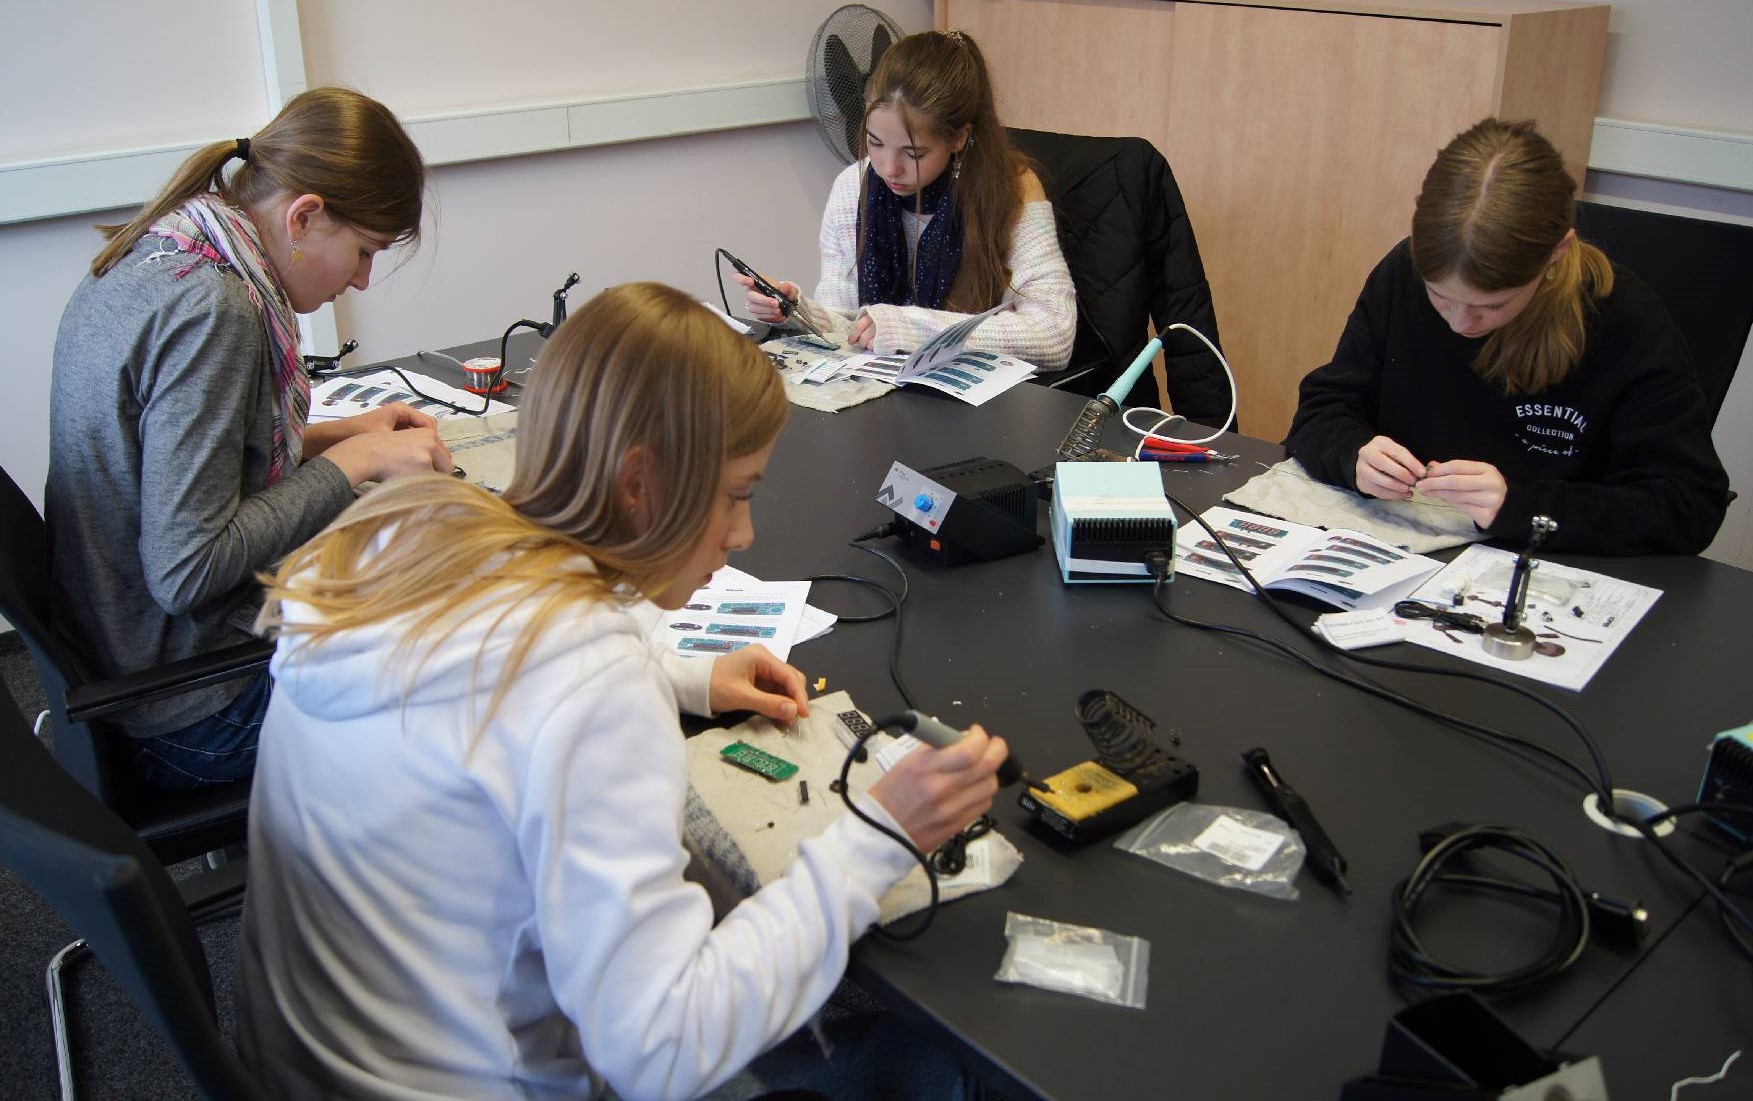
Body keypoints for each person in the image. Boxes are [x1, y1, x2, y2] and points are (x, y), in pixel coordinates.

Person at [234, 282, 1009, 1100]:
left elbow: (494, 684)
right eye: (736, 494)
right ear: (639, 480)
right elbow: (659, 1050)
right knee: (945, 1072)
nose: (743, 534)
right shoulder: (588, 686)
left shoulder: (401, 531)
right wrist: (876, 836)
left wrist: (684, 674)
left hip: (301, 1065)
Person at [46, 88, 452, 788]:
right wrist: (358, 461)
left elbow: (185, 467)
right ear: (304, 216)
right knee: (472, 669)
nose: (362, 277)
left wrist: (339, 435)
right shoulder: (215, 309)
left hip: (121, 667)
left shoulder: (173, 244)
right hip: (192, 712)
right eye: (362, 251)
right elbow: (186, 568)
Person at [1284, 118, 1730, 557]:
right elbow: (1324, 408)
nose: (1461, 323)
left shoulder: (1625, 322)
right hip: (1399, 550)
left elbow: (1687, 505)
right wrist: (1353, 455)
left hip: (1541, 570)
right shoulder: (1402, 274)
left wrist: (1522, 508)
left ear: (1555, 254)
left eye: (1492, 306)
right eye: (1439, 297)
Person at [739, 30, 1076, 372]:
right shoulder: (852, 187)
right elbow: (851, 328)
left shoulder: (1013, 191)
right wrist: (797, 311)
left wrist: (913, 329)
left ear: (959, 138)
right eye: (875, 142)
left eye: (913, 153)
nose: (888, 168)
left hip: (974, 402)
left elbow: (1054, 337)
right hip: (884, 388)